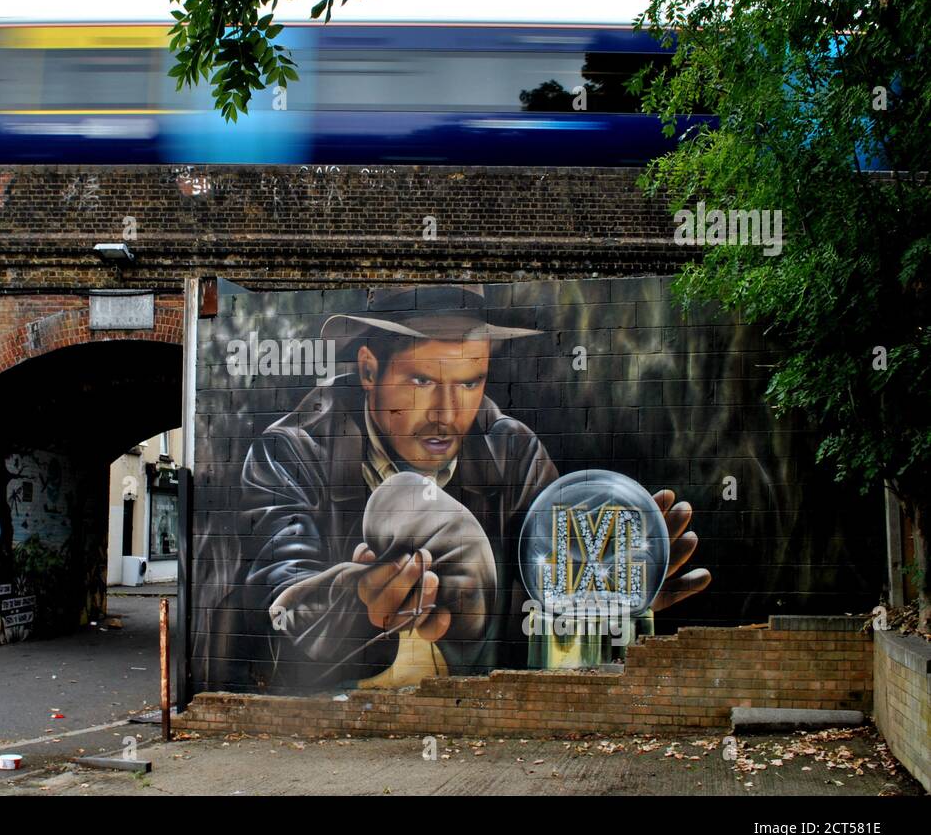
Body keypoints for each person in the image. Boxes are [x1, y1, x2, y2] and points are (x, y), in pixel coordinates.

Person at [202, 284, 706, 691]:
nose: (447, 414)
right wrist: (355, 600)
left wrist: (602, 603)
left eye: (469, 383)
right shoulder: (294, 452)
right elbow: (279, 599)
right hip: (337, 730)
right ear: (370, 371)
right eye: (422, 381)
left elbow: (545, 597)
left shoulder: (513, 455)